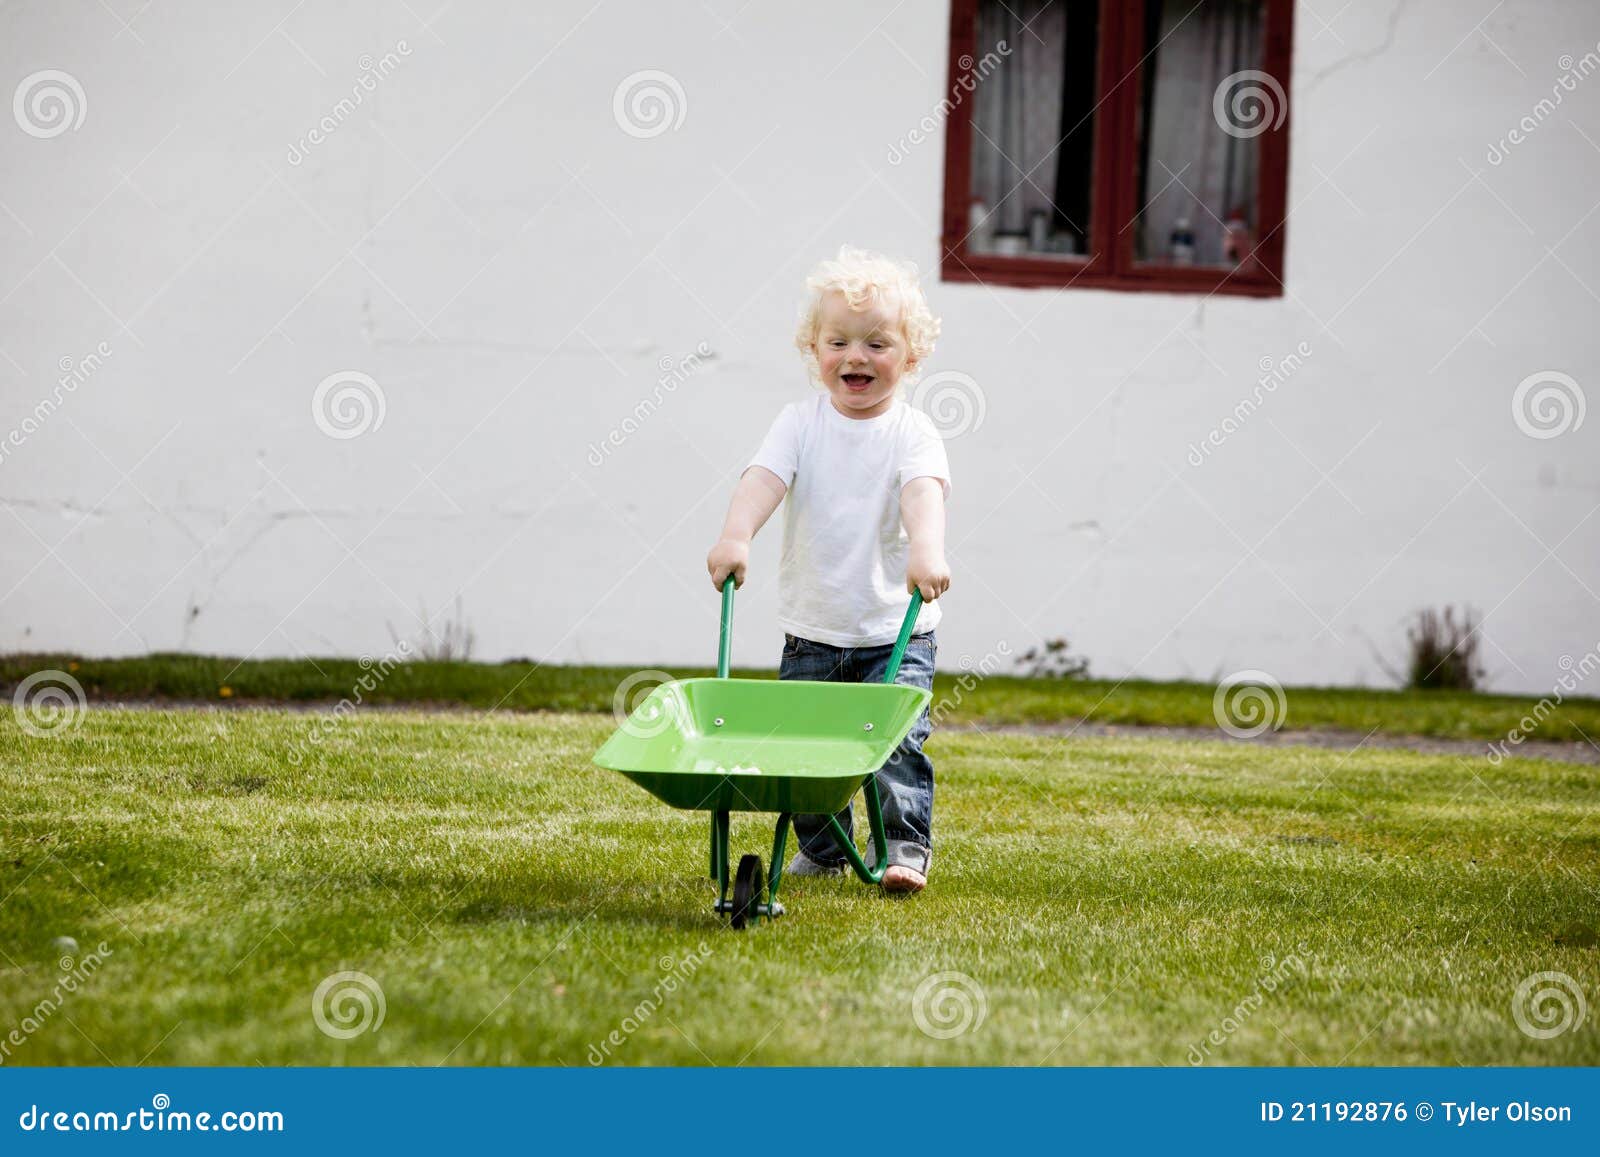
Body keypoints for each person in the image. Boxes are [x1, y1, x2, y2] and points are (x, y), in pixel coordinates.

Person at [705, 245, 951, 893]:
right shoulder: (799, 423)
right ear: (814, 350)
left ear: (911, 355)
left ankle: (902, 843)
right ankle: (824, 845)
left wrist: (927, 548)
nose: (856, 356)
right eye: (838, 341)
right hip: (814, 630)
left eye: (877, 343)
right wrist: (737, 533)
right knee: (805, 749)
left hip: (894, 629)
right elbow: (762, 479)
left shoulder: (913, 432)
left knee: (894, 744)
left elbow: (923, 490)